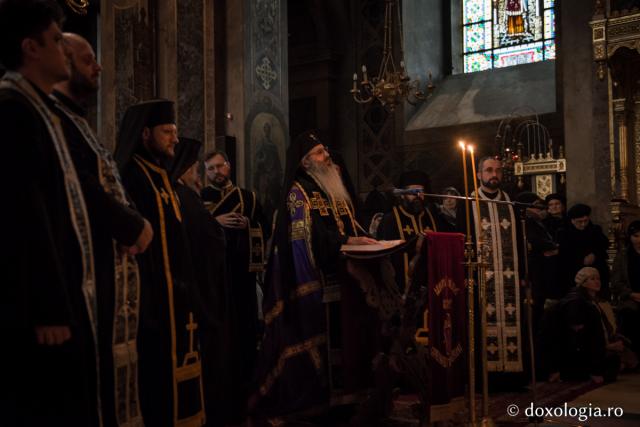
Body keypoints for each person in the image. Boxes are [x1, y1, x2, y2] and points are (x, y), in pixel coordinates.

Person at [0, 1, 100, 425]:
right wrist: (49, 306)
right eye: (57, 40)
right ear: (31, 49)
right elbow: (23, 213)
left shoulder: (39, 110)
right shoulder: (13, 110)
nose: (65, 49)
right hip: (36, 309)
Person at [52, 32, 153, 427]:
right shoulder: (51, 117)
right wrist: (132, 226)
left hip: (106, 272)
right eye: (89, 58)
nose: (99, 67)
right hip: (76, 279)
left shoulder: (75, 121)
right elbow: (79, 185)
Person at [250, 130, 377, 422]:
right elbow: (310, 239)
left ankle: (352, 392)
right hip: (318, 280)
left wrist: (365, 239)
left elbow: (350, 224)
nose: (327, 156)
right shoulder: (299, 193)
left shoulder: (332, 187)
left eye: (325, 150)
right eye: (320, 153)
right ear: (306, 162)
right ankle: (324, 398)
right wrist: (348, 243)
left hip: (346, 279)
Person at [115, 99, 205, 426]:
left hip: (177, 297)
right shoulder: (131, 176)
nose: (175, 139)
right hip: (150, 303)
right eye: (168, 132)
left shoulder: (161, 176)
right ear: (145, 134)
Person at [201, 149, 268, 424]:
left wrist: (250, 224)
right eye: (211, 169)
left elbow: (266, 227)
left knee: (244, 328)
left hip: (242, 275)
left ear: (229, 166)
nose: (217, 172)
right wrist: (214, 222)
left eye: (220, 166)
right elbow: (192, 231)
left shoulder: (248, 197)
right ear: (205, 173)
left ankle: (247, 384)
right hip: (214, 276)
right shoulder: (199, 199)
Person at [170, 138, 231, 427]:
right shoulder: (186, 196)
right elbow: (209, 238)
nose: (198, 174)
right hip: (199, 287)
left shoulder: (180, 195)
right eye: (196, 168)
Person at [459, 156, 525, 386]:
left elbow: (519, 242)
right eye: (488, 170)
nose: (493, 174)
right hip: (480, 279)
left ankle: (512, 377)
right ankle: (484, 380)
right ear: (479, 175)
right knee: (480, 327)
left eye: (497, 170)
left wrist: (524, 275)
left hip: (509, 278)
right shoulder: (468, 202)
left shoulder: (511, 202)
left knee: (514, 323)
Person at [545, 268, 623, 384]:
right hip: (574, 353)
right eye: (592, 279)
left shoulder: (590, 301)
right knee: (612, 362)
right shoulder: (576, 302)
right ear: (584, 282)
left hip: (586, 349)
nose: (597, 282)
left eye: (598, 279)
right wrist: (606, 347)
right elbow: (577, 337)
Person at [378, 170, 449, 293]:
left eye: (421, 191)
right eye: (412, 191)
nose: (417, 195)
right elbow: (383, 257)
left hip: (431, 288)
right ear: (402, 195)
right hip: (401, 289)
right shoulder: (390, 219)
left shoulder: (432, 216)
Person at [514, 192, 558, 333]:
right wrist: (554, 247)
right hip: (533, 272)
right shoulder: (526, 221)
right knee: (534, 309)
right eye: (536, 205)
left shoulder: (537, 221)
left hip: (540, 272)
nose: (541, 209)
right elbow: (537, 242)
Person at [558, 203, 610, 300]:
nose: (583, 224)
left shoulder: (595, 230)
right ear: (572, 220)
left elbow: (604, 244)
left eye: (585, 221)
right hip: (574, 272)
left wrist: (594, 254)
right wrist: (581, 259)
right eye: (579, 221)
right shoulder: (563, 233)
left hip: (596, 269)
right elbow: (564, 255)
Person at [611, 220, 640, 357]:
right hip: (630, 297)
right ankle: (633, 356)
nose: (639, 240)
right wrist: (632, 294)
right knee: (630, 315)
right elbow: (616, 282)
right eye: (636, 236)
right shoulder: (623, 256)